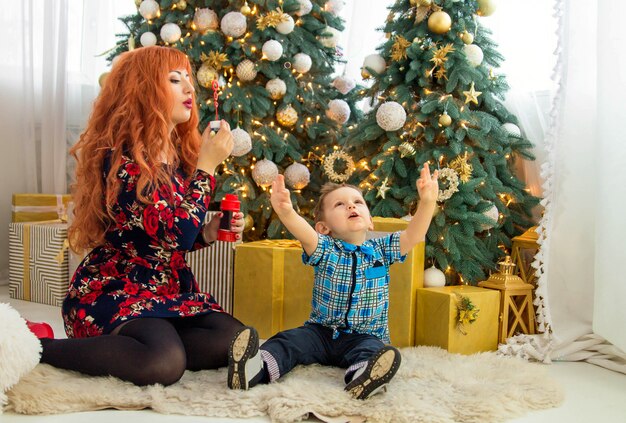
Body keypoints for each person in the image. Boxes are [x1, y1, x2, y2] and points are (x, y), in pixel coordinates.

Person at [36, 45, 251, 387]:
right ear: (145, 89)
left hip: (167, 289)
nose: (189, 88)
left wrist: (207, 232)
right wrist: (207, 168)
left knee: (233, 338)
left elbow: (168, 236)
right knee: (163, 363)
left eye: (188, 80)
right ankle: (38, 347)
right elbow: (174, 234)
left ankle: (151, 339)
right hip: (117, 289)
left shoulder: (178, 158)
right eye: (174, 79)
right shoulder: (123, 159)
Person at [227, 164, 439, 399]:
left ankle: (364, 377)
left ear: (370, 221)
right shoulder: (326, 248)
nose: (351, 206)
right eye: (340, 204)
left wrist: (428, 202)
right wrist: (286, 211)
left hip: (365, 336)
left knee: (375, 351)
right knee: (289, 340)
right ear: (324, 228)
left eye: (358, 202)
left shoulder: (381, 249)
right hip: (320, 333)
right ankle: (255, 368)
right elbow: (303, 232)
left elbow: (414, 234)